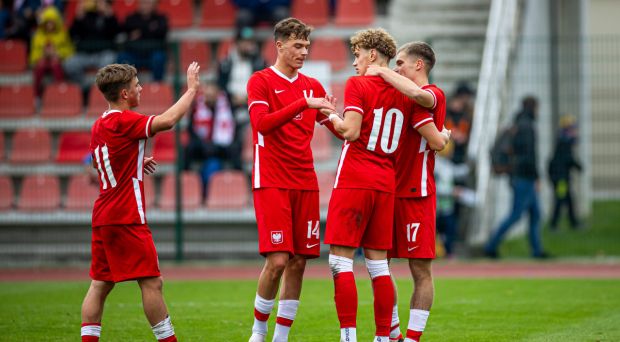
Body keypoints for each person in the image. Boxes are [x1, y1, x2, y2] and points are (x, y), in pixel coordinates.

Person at [323, 30, 448, 342]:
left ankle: (352, 337)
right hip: (387, 184)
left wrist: (327, 117)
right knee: (380, 265)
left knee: (342, 260)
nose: (354, 63)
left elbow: (351, 132)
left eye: (358, 55)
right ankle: (387, 335)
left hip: (372, 182)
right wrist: (445, 136)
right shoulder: (403, 96)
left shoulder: (414, 93)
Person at [80, 61, 201, 342]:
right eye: (136, 86)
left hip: (103, 215)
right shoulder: (125, 120)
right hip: (126, 216)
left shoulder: (100, 124)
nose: (141, 89)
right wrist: (192, 89)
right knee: (151, 282)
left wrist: (134, 162)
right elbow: (168, 121)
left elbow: (104, 163)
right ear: (124, 93)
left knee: (100, 284)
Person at [245, 17, 339, 342]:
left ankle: (281, 337)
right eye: (298, 46)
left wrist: (347, 119)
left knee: (299, 262)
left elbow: (338, 126)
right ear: (280, 44)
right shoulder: (260, 81)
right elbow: (261, 123)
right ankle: (258, 331)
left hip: (305, 182)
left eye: (307, 46)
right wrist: (304, 103)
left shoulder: (314, 86)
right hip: (271, 179)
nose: (304, 51)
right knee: (278, 260)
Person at [365, 41, 449, 342]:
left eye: (400, 63)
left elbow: (436, 138)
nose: (395, 67)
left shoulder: (432, 95)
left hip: (416, 194)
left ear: (419, 65)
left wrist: (380, 70)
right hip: (386, 191)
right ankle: (394, 334)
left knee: (420, 270)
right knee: (379, 267)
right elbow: (439, 141)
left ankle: (412, 338)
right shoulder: (399, 100)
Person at [484, 96, 549, 259]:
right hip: (524, 177)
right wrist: (537, 177)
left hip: (517, 175)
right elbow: (530, 156)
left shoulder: (516, 125)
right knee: (516, 214)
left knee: (535, 214)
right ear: (534, 107)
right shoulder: (528, 127)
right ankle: (491, 245)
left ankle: (537, 250)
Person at [184, 81, 239, 201]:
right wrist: (203, 143)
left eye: (212, 93)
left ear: (217, 93)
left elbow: (233, 127)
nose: (209, 97)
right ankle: (186, 181)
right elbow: (191, 129)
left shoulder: (227, 103)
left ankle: (238, 183)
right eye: (207, 94)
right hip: (202, 146)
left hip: (222, 147)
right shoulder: (197, 105)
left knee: (235, 149)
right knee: (187, 148)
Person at [63, 0, 119, 101]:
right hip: (84, 54)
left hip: (102, 53)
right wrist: (78, 17)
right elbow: (72, 35)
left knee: (109, 60)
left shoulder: (107, 17)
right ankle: (85, 86)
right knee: (69, 63)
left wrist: (109, 15)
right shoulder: (85, 16)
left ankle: (95, 89)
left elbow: (115, 34)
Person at [29, 5, 74, 98]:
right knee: (40, 65)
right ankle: (36, 96)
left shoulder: (63, 33)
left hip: (58, 61)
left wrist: (58, 53)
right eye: (47, 23)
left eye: (52, 22)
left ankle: (59, 93)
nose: (50, 25)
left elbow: (69, 50)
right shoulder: (38, 35)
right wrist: (42, 55)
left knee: (55, 63)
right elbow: (33, 53)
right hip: (42, 61)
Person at [118, 0, 168, 82]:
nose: (145, 5)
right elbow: (125, 30)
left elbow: (162, 32)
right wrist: (150, 28)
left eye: (148, 3)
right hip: (134, 53)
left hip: (153, 53)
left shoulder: (161, 18)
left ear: (154, 5)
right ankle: (127, 86)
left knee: (159, 57)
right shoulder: (131, 18)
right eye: (142, 2)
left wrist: (140, 31)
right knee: (123, 57)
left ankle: (157, 86)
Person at [548, 115, 582, 230]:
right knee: (560, 199)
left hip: (561, 177)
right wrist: (578, 166)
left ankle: (574, 223)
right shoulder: (564, 142)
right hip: (561, 178)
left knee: (568, 200)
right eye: (573, 129)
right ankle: (554, 225)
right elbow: (568, 159)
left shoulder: (562, 141)